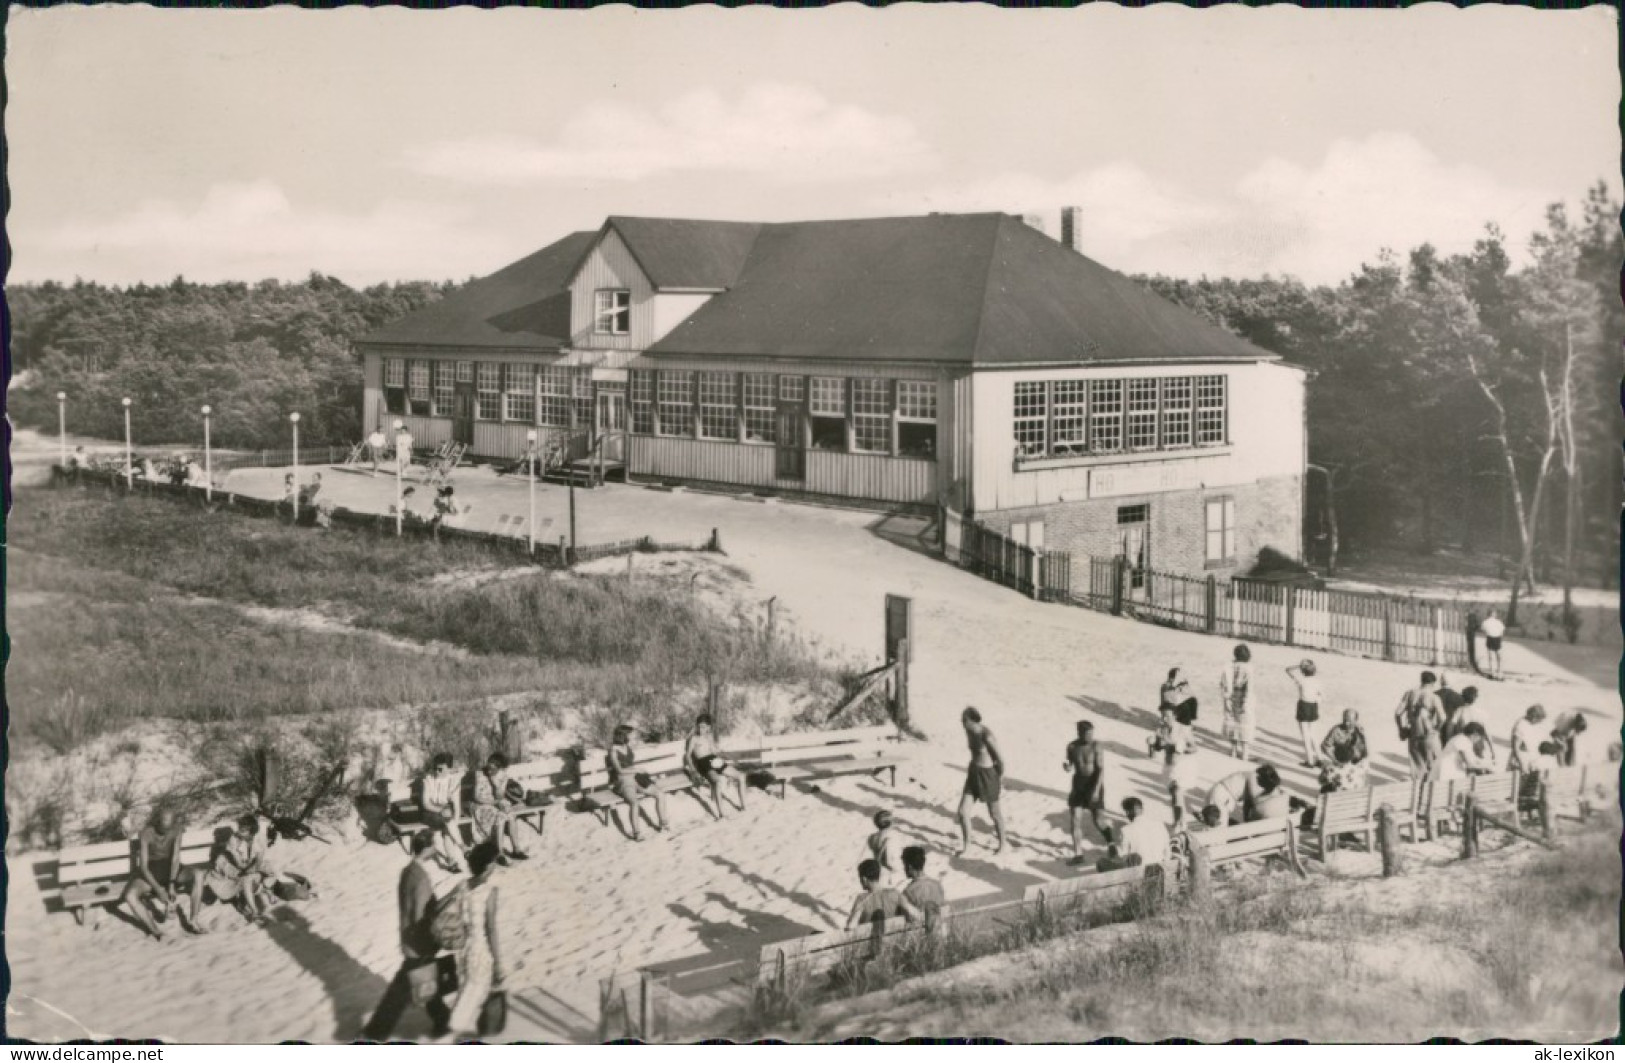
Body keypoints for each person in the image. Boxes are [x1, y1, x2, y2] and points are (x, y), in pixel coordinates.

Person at [361, 831, 452, 1042]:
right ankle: (375, 1033)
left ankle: (443, 1021)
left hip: (408, 938)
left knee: (425, 981)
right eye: (434, 845)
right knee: (401, 991)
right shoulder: (421, 879)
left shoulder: (408, 871)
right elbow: (421, 915)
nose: (435, 849)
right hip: (419, 942)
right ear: (428, 848)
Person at [445, 841, 508, 1042]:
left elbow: (441, 905)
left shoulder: (463, 885)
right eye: (494, 861)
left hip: (461, 947)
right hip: (479, 949)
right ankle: (450, 1035)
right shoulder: (490, 891)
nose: (496, 865)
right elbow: (491, 929)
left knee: (466, 990)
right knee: (472, 995)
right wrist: (498, 962)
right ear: (488, 865)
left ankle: (455, 1032)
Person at [118, 808, 201, 940]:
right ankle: (156, 932)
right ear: (157, 822)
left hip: (171, 868)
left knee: (198, 874)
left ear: (173, 824)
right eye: (162, 828)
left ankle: (194, 920)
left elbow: (175, 858)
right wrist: (159, 889)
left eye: (168, 829)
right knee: (130, 895)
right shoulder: (146, 833)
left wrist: (172, 884)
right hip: (152, 869)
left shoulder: (177, 830)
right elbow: (144, 866)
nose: (164, 832)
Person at [189, 813, 269, 932]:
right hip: (231, 867)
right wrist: (248, 868)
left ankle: (251, 906)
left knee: (255, 877)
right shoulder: (233, 839)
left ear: (251, 831)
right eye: (240, 828)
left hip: (246, 868)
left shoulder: (259, 839)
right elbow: (239, 864)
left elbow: (259, 860)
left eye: (244, 829)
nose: (240, 831)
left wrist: (253, 867)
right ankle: (255, 912)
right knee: (247, 879)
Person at [956, 707, 1011, 856]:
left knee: (994, 814)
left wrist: (998, 778)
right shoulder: (968, 732)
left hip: (988, 775)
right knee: (962, 812)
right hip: (973, 773)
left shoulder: (987, 736)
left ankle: (1003, 844)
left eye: (964, 720)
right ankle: (967, 846)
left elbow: (1000, 760)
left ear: (972, 720)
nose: (962, 723)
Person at [608, 724, 667, 841]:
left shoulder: (627, 746)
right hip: (623, 781)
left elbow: (639, 745)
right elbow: (619, 770)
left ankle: (663, 824)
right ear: (623, 736)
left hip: (635, 778)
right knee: (634, 802)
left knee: (660, 794)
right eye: (631, 736)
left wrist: (652, 745)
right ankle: (637, 833)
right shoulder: (613, 751)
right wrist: (636, 769)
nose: (633, 738)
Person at [470, 754, 530, 865]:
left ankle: (516, 849)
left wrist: (495, 783)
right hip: (481, 806)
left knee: (511, 814)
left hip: (495, 804)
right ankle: (500, 853)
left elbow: (499, 796)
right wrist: (494, 803)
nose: (489, 771)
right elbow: (476, 796)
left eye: (493, 769)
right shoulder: (479, 774)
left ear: (500, 768)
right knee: (501, 816)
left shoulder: (503, 776)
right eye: (488, 767)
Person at [684, 714, 745, 819]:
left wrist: (719, 751)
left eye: (703, 727)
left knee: (741, 776)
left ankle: (743, 807)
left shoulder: (709, 737)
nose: (700, 729)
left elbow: (714, 752)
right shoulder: (694, 738)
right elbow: (688, 755)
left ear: (708, 727)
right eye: (699, 726)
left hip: (713, 759)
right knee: (717, 781)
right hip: (702, 762)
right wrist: (692, 769)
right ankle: (721, 814)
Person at [1064, 720, 1108, 863]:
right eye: (1087, 734)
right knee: (1075, 819)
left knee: (1099, 820)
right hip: (1078, 784)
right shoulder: (1071, 746)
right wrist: (1067, 767)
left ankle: (1112, 845)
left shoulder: (1097, 746)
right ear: (1079, 733)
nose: (1090, 736)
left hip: (1094, 782)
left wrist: (1096, 790)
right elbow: (1071, 764)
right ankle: (1078, 854)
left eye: (1091, 733)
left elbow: (1100, 769)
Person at [418, 753, 465, 873]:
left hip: (445, 814)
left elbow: (457, 806)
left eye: (440, 769)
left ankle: (452, 861)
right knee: (447, 820)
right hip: (429, 812)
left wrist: (456, 823)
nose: (436, 772)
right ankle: (462, 847)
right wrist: (440, 811)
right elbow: (425, 803)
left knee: (448, 828)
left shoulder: (453, 782)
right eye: (435, 768)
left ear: (449, 769)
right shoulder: (428, 780)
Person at [844, 858, 921, 929]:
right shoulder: (894, 893)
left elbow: (850, 926)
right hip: (894, 939)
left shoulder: (861, 899)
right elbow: (916, 914)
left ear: (864, 879)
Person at [1395, 671, 1445, 779]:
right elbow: (1442, 718)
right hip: (1428, 734)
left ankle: (1419, 794)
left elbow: (1398, 713)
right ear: (1432, 683)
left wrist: (1401, 729)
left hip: (1414, 735)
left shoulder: (1409, 694)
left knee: (1418, 771)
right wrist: (1436, 730)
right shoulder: (1434, 697)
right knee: (1434, 770)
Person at [1098, 797, 1169, 872]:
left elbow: (1123, 857)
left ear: (1128, 812)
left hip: (1139, 873)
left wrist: (1112, 849)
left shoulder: (1125, 830)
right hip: (1160, 868)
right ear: (1142, 809)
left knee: (1101, 863)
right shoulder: (1160, 824)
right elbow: (1167, 852)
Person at [1318, 710, 1370, 793]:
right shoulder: (1336, 730)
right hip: (1342, 762)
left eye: (1349, 721)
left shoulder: (1359, 731)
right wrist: (1335, 760)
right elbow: (1325, 746)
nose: (1346, 723)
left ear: (1356, 721)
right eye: (1344, 720)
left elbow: (1364, 752)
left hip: (1356, 764)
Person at [1219, 644, 1255, 761]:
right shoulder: (1248, 668)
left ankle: (1233, 750)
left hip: (1230, 696)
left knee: (1232, 721)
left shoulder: (1229, 667)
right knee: (1245, 723)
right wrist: (1247, 700)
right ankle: (1245, 753)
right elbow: (1249, 687)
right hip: (1243, 696)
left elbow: (1223, 683)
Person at [900, 846, 947, 934]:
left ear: (909, 867)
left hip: (921, 937)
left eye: (904, 865)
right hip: (940, 933)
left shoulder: (908, 892)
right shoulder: (937, 885)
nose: (904, 869)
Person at [1286, 659, 1324, 767]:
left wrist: (1298, 666)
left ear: (1303, 671)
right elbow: (1321, 696)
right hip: (1313, 706)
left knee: (1305, 735)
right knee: (1313, 734)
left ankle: (1310, 760)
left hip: (1303, 706)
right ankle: (1320, 758)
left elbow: (1287, 670)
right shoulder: (1317, 681)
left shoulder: (1301, 680)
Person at [1161, 742, 1200, 829]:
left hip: (1180, 769)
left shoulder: (1184, 731)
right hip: (1170, 767)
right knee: (1175, 797)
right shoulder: (1166, 731)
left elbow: (1195, 748)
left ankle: (1179, 823)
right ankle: (1179, 822)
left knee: (1177, 795)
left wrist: (1181, 749)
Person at [1160, 668, 1199, 752]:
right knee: (1172, 731)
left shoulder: (1182, 688)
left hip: (1179, 715)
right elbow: (1167, 705)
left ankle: (1187, 743)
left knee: (1184, 729)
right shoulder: (1167, 688)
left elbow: (1190, 697)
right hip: (1171, 713)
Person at [1508, 704, 1547, 775]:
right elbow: (1515, 748)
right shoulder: (1520, 726)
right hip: (1520, 763)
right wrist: (1522, 765)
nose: (1539, 723)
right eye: (1539, 720)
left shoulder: (1529, 724)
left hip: (1529, 762)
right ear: (1534, 717)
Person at [864, 811, 901, 886]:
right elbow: (889, 861)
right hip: (887, 874)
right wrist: (897, 870)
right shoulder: (890, 838)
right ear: (889, 823)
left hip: (877, 871)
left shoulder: (872, 837)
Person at [1480, 609, 1506, 680]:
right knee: (1499, 657)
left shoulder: (1485, 622)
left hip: (1490, 638)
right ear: (1494, 614)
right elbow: (1502, 631)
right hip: (1497, 638)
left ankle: (1492, 673)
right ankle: (1499, 673)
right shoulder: (1498, 622)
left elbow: (1483, 630)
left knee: (1491, 657)